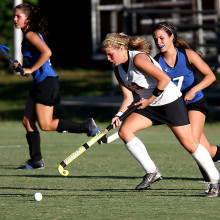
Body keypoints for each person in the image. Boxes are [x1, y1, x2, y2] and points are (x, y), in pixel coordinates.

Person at [102, 33, 220, 197]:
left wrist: (149, 100)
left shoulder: (138, 59)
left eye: (110, 54)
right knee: (125, 131)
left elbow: (164, 79)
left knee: (190, 144)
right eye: (106, 54)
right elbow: (128, 97)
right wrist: (119, 114)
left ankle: (215, 181)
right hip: (151, 104)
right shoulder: (118, 69)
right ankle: (152, 172)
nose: (108, 58)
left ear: (121, 48)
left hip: (170, 102)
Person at [13, 3, 100, 169]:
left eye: (18, 16)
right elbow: (37, 60)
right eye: (14, 16)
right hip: (40, 82)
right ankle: (36, 160)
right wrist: (22, 67)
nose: (15, 19)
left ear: (28, 19)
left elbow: (47, 53)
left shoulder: (31, 34)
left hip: (46, 82)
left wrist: (30, 68)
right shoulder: (29, 35)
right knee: (27, 120)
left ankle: (86, 127)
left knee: (46, 125)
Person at [151, 22, 220, 181]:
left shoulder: (188, 55)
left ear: (171, 37)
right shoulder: (156, 63)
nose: (159, 42)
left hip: (195, 103)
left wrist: (193, 90)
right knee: (207, 150)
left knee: (193, 143)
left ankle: (213, 182)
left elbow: (211, 76)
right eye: (156, 40)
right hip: (176, 108)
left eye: (162, 38)